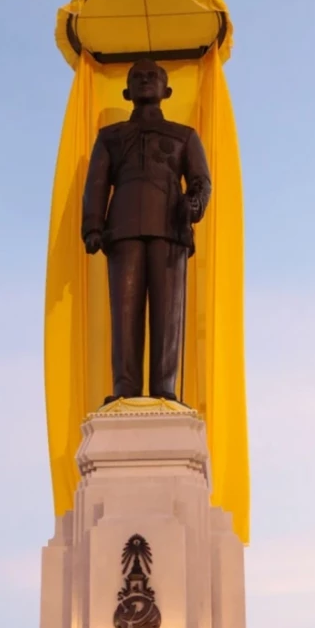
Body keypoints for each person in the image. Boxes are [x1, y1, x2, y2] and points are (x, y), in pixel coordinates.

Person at [81, 59, 211, 402]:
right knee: (125, 313)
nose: (145, 80)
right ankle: (125, 389)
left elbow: (200, 180)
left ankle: (165, 389)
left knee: (169, 313)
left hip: (171, 227)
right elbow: (96, 183)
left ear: (166, 91)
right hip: (122, 228)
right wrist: (92, 225)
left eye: (152, 76)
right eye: (137, 77)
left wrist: (195, 204)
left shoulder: (183, 136)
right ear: (127, 91)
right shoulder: (110, 137)